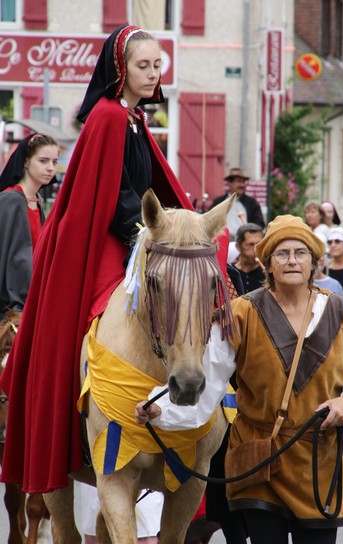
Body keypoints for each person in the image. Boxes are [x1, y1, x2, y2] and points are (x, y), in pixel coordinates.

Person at [0, 25, 229, 494]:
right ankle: (77, 424)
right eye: (143, 66)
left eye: (157, 66)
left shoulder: (134, 119)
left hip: (135, 231)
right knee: (96, 315)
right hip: (105, 235)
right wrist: (142, 234)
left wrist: (185, 229)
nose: (151, 74)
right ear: (121, 69)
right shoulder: (107, 118)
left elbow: (158, 188)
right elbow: (115, 196)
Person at [136, 214, 343, 544]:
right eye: (281, 253)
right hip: (258, 460)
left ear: (314, 260)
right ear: (267, 262)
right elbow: (210, 382)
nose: (291, 260)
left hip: (318, 462)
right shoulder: (241, 314)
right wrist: (163, 409)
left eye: (300, 252)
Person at [0, 133, 59, 320]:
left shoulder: (35, 202)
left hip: (31, 305)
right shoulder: (12, 200)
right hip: (12, 311)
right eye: (43, 161)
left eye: (54, 162)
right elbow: (12, 262)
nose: (50, 168)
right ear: (26, 162)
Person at [211, 167, 265, 240]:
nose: (242, 185)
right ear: (230, 183)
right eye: (239, 181)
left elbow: (259, 224)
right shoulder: (218, 202)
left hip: (244, 243)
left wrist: (250, 232)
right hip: (222, 241)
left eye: (243, 182)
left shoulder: (252, 203)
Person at [231, 223, 265, 293]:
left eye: (259, 244)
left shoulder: (268, 273)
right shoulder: (230, 273)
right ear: (238, 247)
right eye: (251, 244)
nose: (256, 249)